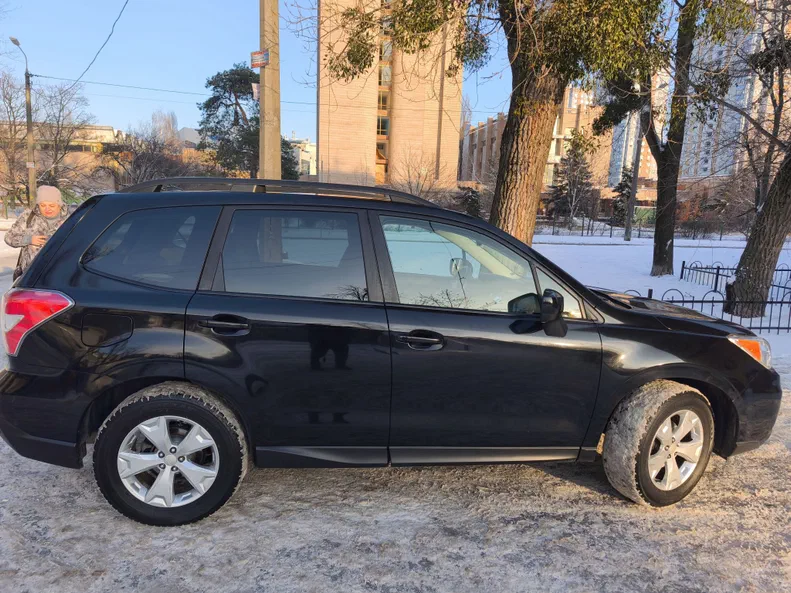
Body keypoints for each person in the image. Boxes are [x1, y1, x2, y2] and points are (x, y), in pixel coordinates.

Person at [5, 185, 68, 279]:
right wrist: (28, 239)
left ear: (59, 205)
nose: (47, 209)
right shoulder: (29, 216)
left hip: (60, 275)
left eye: (52, 205)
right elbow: (9, 237)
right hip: (30, 277)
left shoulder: (71, 219)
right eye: (43, 205)